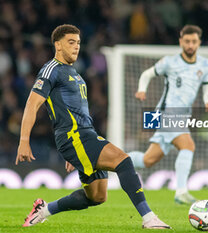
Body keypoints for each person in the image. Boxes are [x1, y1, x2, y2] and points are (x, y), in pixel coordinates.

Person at [16, 24, 170, 229]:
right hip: (74, 137)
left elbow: (77, 111)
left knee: (97, 196)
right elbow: (32, 104)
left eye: (78, 43)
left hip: (83, 138)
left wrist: (79, 155)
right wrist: (24, 141)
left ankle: (44, 209)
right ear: (58, 45)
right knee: (123, 161)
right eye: (71, 42)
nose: (76, 47)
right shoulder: (50, 69)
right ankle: (149, 218)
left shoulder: (74, 72)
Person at [128, 25, 208, 205]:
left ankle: (112, 161)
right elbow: (147, 74)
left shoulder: (206, 64)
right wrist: (141, 90)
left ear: (199, 43)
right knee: (188, 145)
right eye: (187, 41)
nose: (190, 45)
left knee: (147, 160)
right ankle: (181, 191)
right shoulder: (169, 61)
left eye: (194, 42)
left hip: (183, 116)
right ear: (181, 42)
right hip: (164, 112)